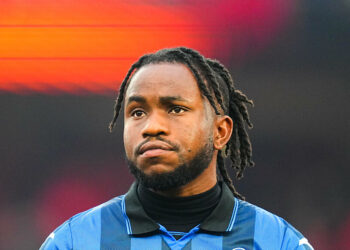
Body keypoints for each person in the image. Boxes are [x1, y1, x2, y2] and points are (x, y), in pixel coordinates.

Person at [40, 47, 313, 250]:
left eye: (175, 109)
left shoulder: (278, 242)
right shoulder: (74, 242)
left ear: (220, 132)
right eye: (137, 112)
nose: (152, 126)